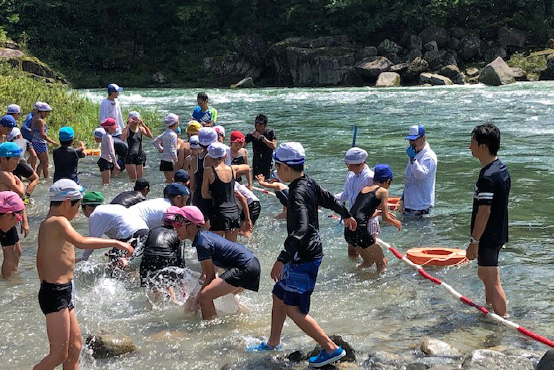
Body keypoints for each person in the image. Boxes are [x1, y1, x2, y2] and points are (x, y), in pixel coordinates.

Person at [250, 142, 356, 368]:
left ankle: (332, 348)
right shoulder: (308, 182)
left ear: (286, 167)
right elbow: (328, 198)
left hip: (303, 256)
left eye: (277, 166)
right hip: (304, 253)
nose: (276, 171)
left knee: (293, 309)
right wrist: (345, 214)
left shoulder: (297, 193)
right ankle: (273, 342)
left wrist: (281, 259)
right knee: (278, 294)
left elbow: (301, 229)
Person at [34, 180, 133, 369]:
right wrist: (116, 243)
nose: (78, 212)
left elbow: (41, 258)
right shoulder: (58, 221)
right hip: (55, 293)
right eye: (77, 207)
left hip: (59, 290)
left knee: (75, 347)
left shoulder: (47, 223)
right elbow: (81, 242)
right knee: (58, 355)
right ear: (66, 202)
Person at [165, 205, 260, 320]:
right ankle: (247, 316)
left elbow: (209, 277)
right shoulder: (203, 237)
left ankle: (210, 330)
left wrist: (197, 299)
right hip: (251, 263)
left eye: (179, 224)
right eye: (174, 224)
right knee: (223, 296)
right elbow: (207, 275)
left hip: (245, 267)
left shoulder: (202, 243)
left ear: (192, 225)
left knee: (205, 296)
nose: (175, 228)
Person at [466, 123, 510, 318]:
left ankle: (502, 320)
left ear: (483, 146)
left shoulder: (488, 176)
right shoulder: (501, 169)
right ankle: (490, 313)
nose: (470, 147)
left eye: (472, 142)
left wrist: (474, 241)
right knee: (484, 275)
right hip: (498, 231)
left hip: (488, 235)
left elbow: (484, 211)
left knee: (492, 280)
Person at [344, 164, 402, 273]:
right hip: (360, 230)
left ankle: (351, 277)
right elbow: (386, 218)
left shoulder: (365, 189)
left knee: (368, 261)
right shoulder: (383, 192)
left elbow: (359, 211)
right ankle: (379, 286)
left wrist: (377, 213)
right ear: (388, 180)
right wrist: (396, 222)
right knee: (382, 262)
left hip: (348, 229)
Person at [335, 147, 381, 258]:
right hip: (352, 217)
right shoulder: (350, 175)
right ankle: (356, 273)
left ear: (360, 164)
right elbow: (345, 195)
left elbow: (377, 199)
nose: (349, 169)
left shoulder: (371, 177)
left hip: (367, 219)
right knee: (352, 251)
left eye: (350, 166)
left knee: (370, 251)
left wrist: (373, 215)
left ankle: (376, 270)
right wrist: (328, 198)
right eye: (347, 166)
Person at [79, 191, 148, 264]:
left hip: (133, 234)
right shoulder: (110, 208)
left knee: (116, 265)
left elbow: (92, 242)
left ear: (86, 207)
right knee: (121, 261)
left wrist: (83, 260)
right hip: (144, 231)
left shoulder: (95, 214)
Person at [0, 142, 30, 279]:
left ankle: (13, 277)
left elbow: (18, 201)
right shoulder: (4, 174)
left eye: (19, 158)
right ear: (3, 159)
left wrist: (24, 221)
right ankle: (7, 280)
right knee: (9, 254)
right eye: (14, 159)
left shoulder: (10, 174)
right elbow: (20, 194)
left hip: (11, 216)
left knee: (17, 252)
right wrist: (21, 184)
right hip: (4, 218)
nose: (18, 162)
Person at [202, 142, 241, 242]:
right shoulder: (233, 169)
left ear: (210, 157)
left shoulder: (208, 171)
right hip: (234, 213)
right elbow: (247, 168)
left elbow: (204, 194)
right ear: (225, 156)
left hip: (219, 213)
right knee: (232, 248)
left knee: (217, 249)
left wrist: (217, 194)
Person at [398, 125, 437, 217]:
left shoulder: (429, 156)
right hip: (409, 204)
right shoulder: (414, 154)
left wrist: (413, 159)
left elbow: (421, 175)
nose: (411, 143)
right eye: (410, 140)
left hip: (421, 207)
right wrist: (403, 199)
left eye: (414, 140)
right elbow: (408, 178)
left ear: (423, 138)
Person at [140, 213, 184, 287]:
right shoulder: (178, 234)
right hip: (166, 258)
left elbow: (141, 248)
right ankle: (174, 298)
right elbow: (181, 258)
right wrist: (181, 278)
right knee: (168, 285)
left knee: (149, 286)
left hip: (148, 258)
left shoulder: (152, 230)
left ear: (163, 221)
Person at [7, 127, 39, 203]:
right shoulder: (25, 141)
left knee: (16, 181)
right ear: (19, 135)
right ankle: (26, 199)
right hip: (20, 160)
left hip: (10, 161)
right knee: (35, 178)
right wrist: (32, 169)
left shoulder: (10, 144)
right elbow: (34, 155)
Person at [121, 111, 152, 181]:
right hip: (130, 156)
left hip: (139, 155)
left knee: (140, 179)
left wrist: (143, 124)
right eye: (133, 119)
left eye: (136, 119)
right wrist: (128, 124)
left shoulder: (141, 129)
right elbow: (122, 138)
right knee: (133, 180)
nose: (135, 122)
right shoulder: (127, 130)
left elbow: (150, 136)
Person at [31, 102, 58, 179]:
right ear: (42, 111)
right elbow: (43, 135)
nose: (48, 114)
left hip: (35, 142)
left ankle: (37, 177)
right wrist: (52, 142)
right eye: (47, 112)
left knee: (42, 162)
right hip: (40, 143)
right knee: (45, 163)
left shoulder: (34, 118)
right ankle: (45, 178)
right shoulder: (40, 121)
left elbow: (32, 131)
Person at [245, 114, 277, 179]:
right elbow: (241, 146)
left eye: (260, 125)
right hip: (256, 164)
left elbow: (274, 146)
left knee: (267, 182)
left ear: (265, 126)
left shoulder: (270, 132)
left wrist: (261, 137)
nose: (257, 127)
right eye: (256, 124)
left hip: (268, 164)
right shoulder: (252, 134)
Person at [153, 113, 179, 183]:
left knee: (168, 180)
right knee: (172, 180)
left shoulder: (165, 133)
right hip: (170, 161)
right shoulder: (173, 135)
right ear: (175, 123)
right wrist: (176, 161)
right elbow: (172, 149)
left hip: (163, 160)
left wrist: (161, 149)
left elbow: (155, 142)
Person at [98, 118, 121, 185]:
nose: (116, 127)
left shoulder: (105, 136)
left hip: (105, 161)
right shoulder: (108, 137)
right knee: (106, 184)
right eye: (115, 125)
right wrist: (116, 164)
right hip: (105, 161)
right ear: (110, 128)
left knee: (106, 183)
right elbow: (111, 151)